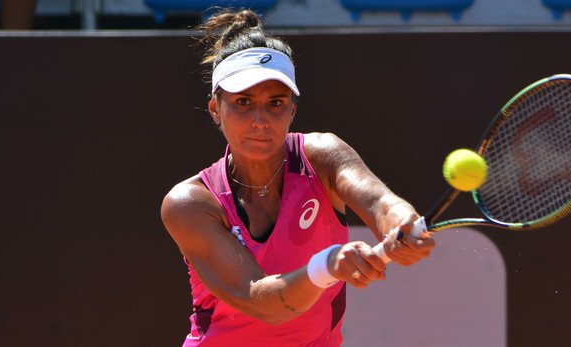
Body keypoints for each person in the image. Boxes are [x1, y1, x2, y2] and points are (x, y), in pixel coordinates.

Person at [160, 9, 435, 347]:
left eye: (276, 103)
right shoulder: (189, 204)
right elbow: (263, 302)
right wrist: (328, 265)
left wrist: (401, 223)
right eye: (243, 102)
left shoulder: (321, 156)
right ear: (216, 109)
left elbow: (379, 201)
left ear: (292, 109)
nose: (260, 119)